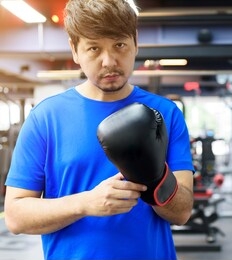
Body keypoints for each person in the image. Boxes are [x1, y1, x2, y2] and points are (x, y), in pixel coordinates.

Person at [4, 0, 194, 259]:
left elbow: (182, 213)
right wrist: (84, 204)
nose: (109, 61)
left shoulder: (166, 114)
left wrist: (154, 176)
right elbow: (15, 217)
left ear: (135, 42)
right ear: (74, 50)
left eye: (119, 45)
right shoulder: (45, 118)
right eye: (94, 48)